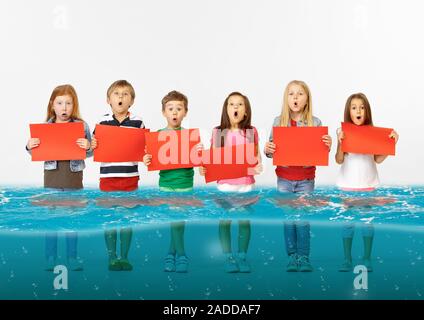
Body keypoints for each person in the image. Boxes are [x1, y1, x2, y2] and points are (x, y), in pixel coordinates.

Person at [264, 80, 332, 272]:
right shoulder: (278, 122)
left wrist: (328, 144)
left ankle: (304, 257)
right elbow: (271, 149)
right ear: (286, 99)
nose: (295, 97)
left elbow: (320, 152)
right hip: (284, 179)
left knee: (302, 220)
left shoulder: (315, 122)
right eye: (291, 93)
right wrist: (267, 149)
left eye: (300, 93)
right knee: (288, 220)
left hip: (306, 180)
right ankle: (292, 256)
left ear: (307, 99)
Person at [26, 84, 92, 271]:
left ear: (74, 105)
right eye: (60, 103)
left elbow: (91, 152)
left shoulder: (81, 126)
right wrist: (30, 145)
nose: (64, 107)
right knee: (52, 221)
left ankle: (72, 256)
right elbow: (34, 152)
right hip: (52, 182)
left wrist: (87, 146)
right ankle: (50, 257)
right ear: (52, 105)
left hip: (73, 182)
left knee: (72, 222)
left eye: (68, 103)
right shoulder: (46, 127)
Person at [335, 92, 399, 272]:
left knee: (367, 223)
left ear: (367, 111)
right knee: (347, 223)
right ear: (349, 111)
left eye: (362, 108)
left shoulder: (373, 133)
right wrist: (340, 143)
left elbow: (378, 159)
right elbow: (339, 159)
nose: (358, 111)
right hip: (347, 185)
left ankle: (367, 258)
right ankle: (347, 258)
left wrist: (392, 143)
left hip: (368, 185)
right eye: (354, 108)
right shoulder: (343, 132)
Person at [200, 92, 262, 273]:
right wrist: (203, 168)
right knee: (225, 221)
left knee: (244, 221)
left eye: (240, 104)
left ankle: (242, 256)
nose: (235, 107)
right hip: (225, 184)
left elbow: (255, 159)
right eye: (231, 104)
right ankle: (228, 257)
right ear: (226, 109)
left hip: (245, 184)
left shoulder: (251, 132)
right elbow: (212, 159)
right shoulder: (218, 132)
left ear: (246, 111)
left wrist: (257, 166)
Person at [143, 90, 202, 273]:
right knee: (174, 221)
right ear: (164, 112)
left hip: (185, 185)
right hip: (166, 185)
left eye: (179, 109)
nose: (175, 112)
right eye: (170, 108)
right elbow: (151, 160)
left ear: (185, 112)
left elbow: (199, 162)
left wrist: (199, 152)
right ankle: (179, 254)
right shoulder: (158, 135)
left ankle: (174, 254)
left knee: (178, 222)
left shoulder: (189, 136)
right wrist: (147, 159)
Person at [91, 80, 145, 271]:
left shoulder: (138, 122)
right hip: (108, 178)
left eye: (125, 94)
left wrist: (147, 154)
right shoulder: (102, 122)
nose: (120, 97)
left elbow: (144, 146)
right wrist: (93, 145)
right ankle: (112, 257)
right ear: (108, 100)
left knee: (128, 219)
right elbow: (93, 145)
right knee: (110, 218)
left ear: (131, 101)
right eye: (116, 94)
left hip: (130, 178)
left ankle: (125, 256)